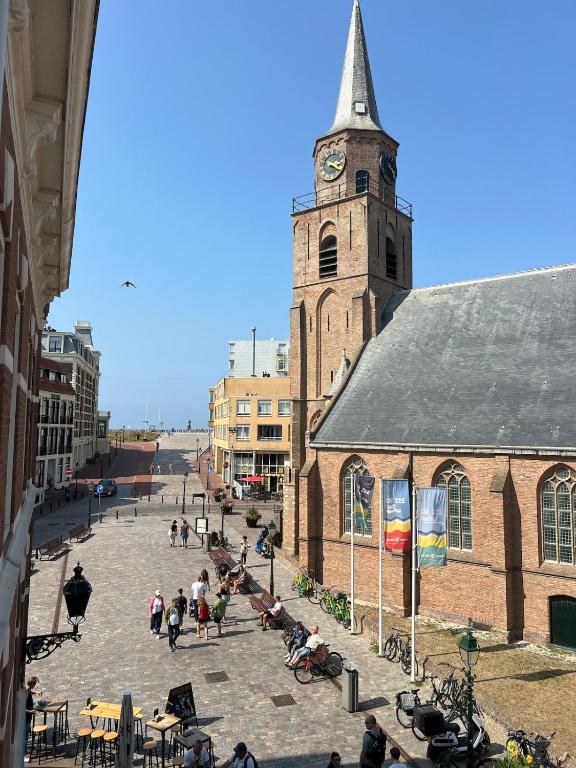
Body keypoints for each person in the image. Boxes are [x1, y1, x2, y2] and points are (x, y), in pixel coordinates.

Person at [24, 677, 40, 761]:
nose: (36, 686)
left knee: (26, 735)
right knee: (25, 737)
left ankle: (24, 752)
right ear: (32, 684)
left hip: (27, 716)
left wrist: (36, 692)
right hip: (25, 717)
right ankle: (22, 756)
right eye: (35, 684)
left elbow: (30, 692)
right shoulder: (26, 691)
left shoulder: (28, 690)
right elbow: (21, 707)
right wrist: (30, 711)